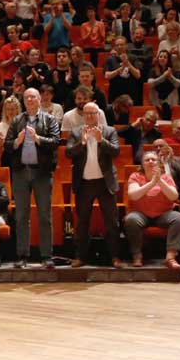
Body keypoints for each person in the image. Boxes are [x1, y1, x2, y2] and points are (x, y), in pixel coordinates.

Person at [3, 88, 60, 268]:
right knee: (21, 216)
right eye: (26, 97)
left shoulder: (50, 119)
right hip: (20, 172)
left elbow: (56, 142)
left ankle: (46, 256)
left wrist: (37, 139)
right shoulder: (16, 120)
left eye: (33, 96)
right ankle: (22, 255)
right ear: (24, 100)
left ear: (39, 99)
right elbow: (7, 145)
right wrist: (17, 142)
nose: (29, 99)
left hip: (41, 172)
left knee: (44, 216)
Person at [65, 102, 125, 269]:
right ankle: (80, 257)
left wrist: (101, 140)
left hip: (105, 183)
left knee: (112, 222)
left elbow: (116, 151)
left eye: (93, 113)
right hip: (84, 183)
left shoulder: (109, 131)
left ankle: (115, 257)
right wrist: (82, 143)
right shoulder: (77, 132)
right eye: (87, 113)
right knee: (82, 222)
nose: (90, 116)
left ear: (99, 115)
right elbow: (68, 153)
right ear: (83, 116)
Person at [123, 151, 180, 271]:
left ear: (158, 163)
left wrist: (160, 181)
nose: (150, 162)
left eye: (153, 159)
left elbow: (173, 197)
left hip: (163, 215)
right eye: (147, 160)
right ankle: (137, 255)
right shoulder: (135, 176)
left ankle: (170, 257)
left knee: (179, 218)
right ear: (142, 164)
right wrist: (152, 183)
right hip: (141, 215)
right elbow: (133, 195)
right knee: (131, 219)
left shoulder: (166, 177)